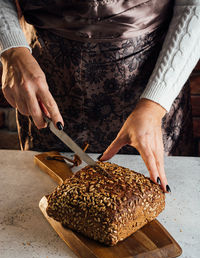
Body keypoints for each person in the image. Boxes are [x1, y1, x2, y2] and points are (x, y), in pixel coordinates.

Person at [0, 0, 200, 193]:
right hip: (47, 79)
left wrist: (155, 104)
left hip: (154, 78)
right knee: (39, 196)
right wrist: (11, 48)